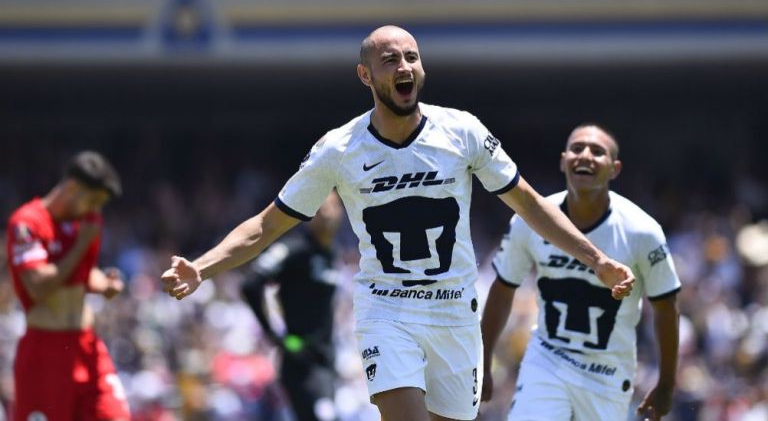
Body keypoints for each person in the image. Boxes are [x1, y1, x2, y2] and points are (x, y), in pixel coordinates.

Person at [161, 25, 635, 421]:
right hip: (387, 313)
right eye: (391, 59)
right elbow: (266, 225)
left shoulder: (463, 131)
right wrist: (202, 268)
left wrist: (597, 260)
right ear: (365, 75)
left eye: (412, 57)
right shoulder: (338, 150)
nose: (405, 66)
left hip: (455, 316)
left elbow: (529, 204)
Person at [480, 124, 681, 421]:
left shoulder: (642, 231)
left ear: (615, 169)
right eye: (577, 148)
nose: (585, 155)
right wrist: (482, 362)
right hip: (547, 361)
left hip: (607, 372)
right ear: (563, 161)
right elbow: (503, 288)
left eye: (597, 152)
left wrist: (666, 383)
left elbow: (666, 307)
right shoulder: (529, 219)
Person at [5, 151, 131, 421]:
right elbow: (38, 286)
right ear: (73, 188)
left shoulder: (86, 222)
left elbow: (80, 275)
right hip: (45, 352)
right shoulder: (27, 223)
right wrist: (83, 243)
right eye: (94, 200)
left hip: (87, 345)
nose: (97, 210)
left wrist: (105, 284)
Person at [240, 193, 344, 421]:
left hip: (325, 359)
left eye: (334, 207)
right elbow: (250, 284)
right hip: (300, 359)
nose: (327, 213)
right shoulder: (294, 249)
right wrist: (275, 335)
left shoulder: (331, 253)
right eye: (320, 208)